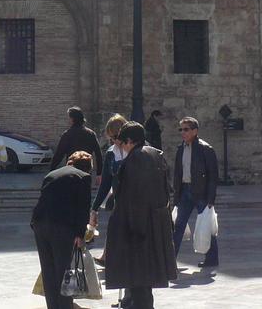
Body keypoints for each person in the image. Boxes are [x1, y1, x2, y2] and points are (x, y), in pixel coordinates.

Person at [103, 121, 177, 309]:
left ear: (129, 141)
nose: (122, 147)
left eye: (122, 143)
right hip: (151, 226)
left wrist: (133, 230)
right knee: (143, 285)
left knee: (138, 283)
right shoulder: (154, 154)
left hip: (138, 231)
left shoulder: (136, 159)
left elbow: (135, 197)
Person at [32, 150, 93, 309]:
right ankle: (65, 306)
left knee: (48, 269)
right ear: (87, 168)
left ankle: (52, 306)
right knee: (64, 271)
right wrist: (80, 234)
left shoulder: (51, 174)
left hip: (40, 224)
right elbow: (83, 208)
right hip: (62, 227)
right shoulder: (83, 177)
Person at [171, 116, 219, 269]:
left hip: (201, 192)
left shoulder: (205, 149)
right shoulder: (180, 149)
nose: (183, 133)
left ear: (195, 131)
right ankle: (170, 260)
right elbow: (177, 174)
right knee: (178, 226)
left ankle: (212, 259)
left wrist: (211, 197)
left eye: (186, 129)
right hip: (185, 191)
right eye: (181, 129)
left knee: (206, 226)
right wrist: (176, 195)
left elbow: (213, 175)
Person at [90, 113, 128, 263]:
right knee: (114, 227)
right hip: (119, 198)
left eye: (116, 137)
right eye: (111, 138)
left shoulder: (140, 149)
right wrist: (94, 208)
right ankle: (107, 257)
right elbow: (105, 183)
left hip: (138, 199)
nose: (114, 141)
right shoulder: (111, 153)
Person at [49, 107, 103, 181]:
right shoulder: (91, 134)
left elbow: (59, 154)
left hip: (71, 172)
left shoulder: (67, 134)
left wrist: (51, 171)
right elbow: (98, 154)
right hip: (86, 171)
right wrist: (99, 173)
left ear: (72, 119)